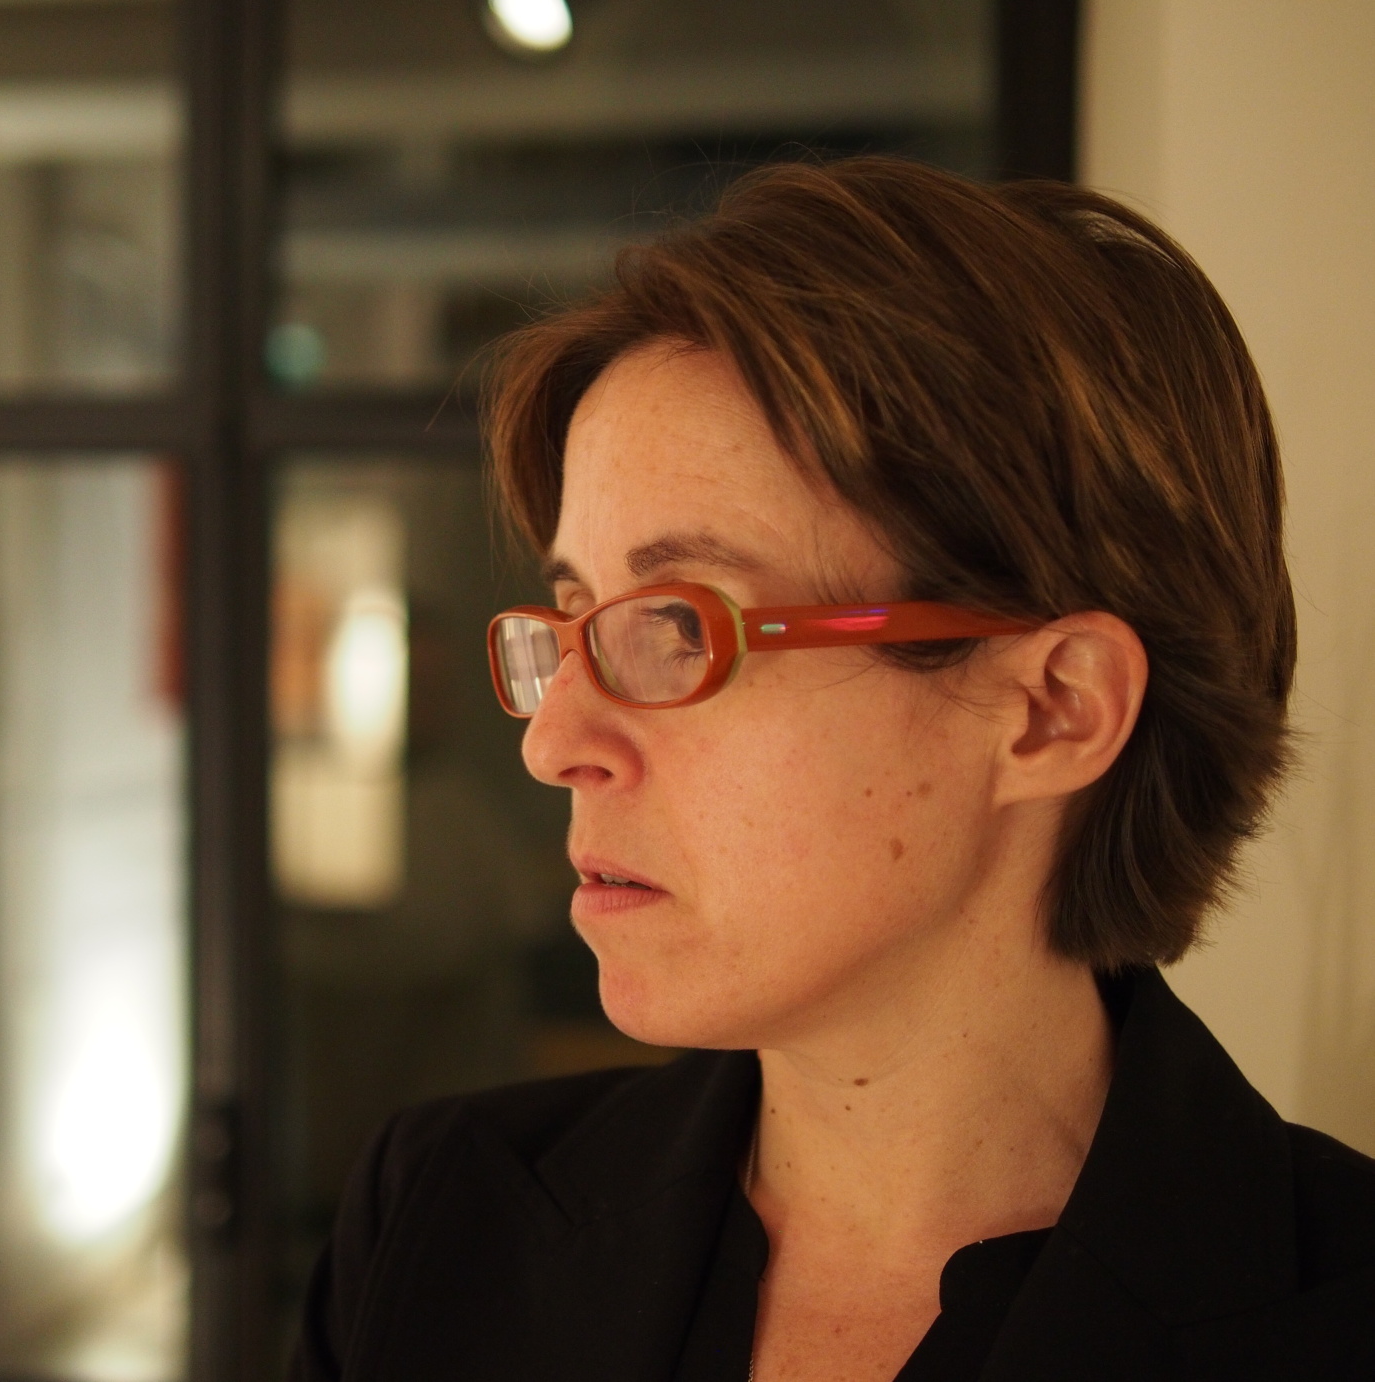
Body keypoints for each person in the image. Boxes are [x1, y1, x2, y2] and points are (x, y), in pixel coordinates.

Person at [288, 157, 1375, 1381]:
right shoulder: (436, 1222)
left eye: (678, 626)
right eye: (574, 614)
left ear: (1051, 709)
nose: (553, 742)